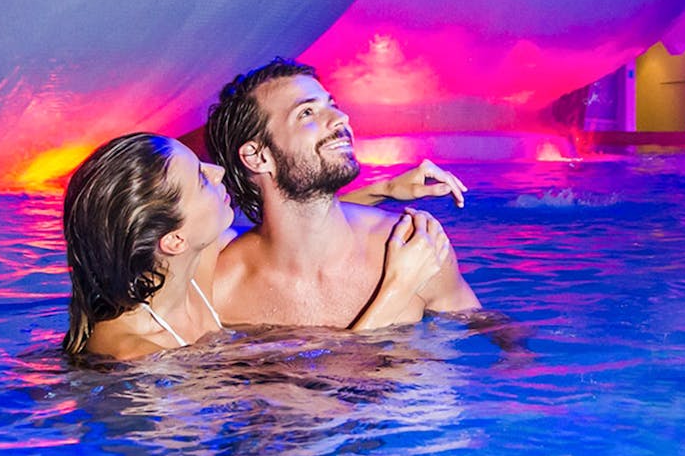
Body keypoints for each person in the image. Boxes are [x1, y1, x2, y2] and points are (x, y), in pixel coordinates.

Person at [62, 132, 459, 360]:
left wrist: (384, 190)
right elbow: (339, 395)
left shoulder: (189, 268)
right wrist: (397, 288)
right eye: (201, 179)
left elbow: (292, 229)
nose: (217, 171)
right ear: (174, 240)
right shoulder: (135, 356)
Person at [205, 58, 481, 328]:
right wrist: (398, 288)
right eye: (307, 113)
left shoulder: (414, 247)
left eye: (332, 106)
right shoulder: (222, 288)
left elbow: (493, 342)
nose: (341, 118)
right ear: (257, 157)